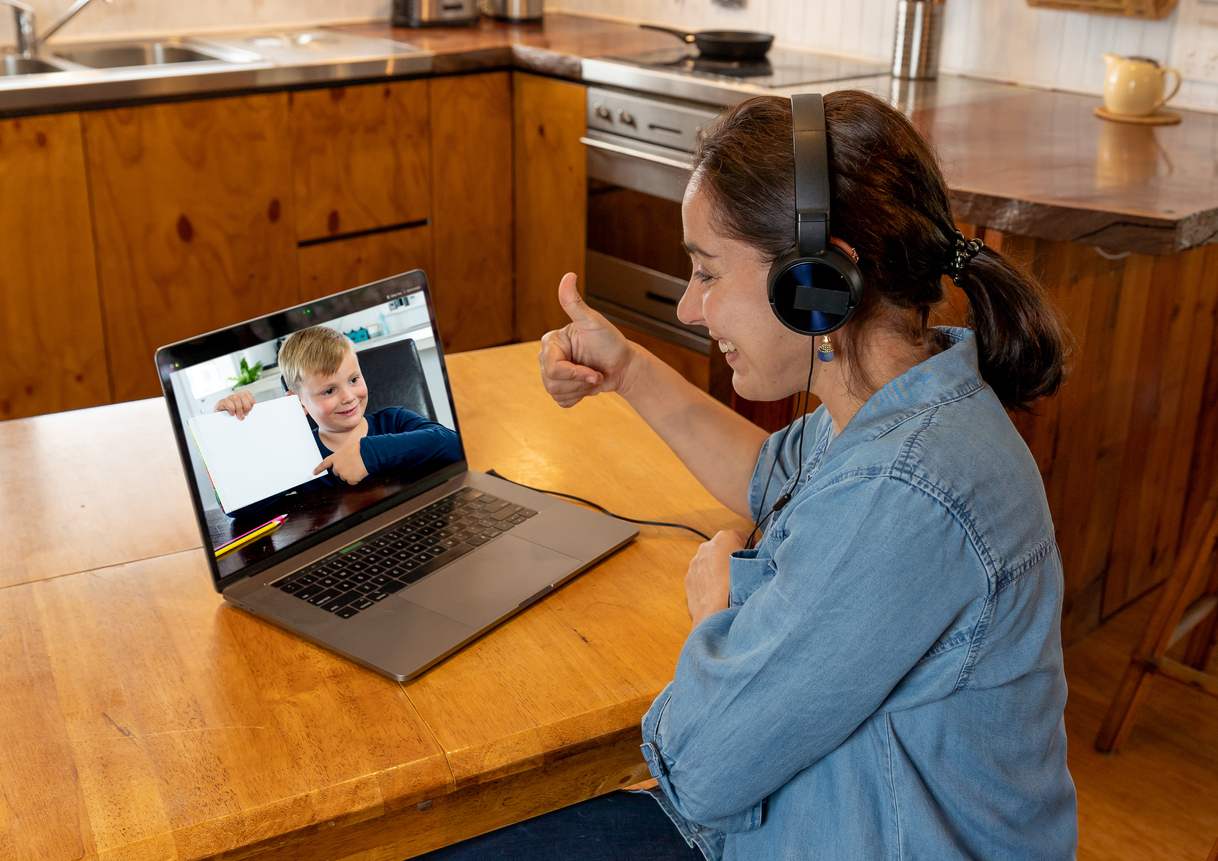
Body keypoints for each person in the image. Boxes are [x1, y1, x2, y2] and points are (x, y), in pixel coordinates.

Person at [419, 90, 1077, 860]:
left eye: (706, 273)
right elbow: (768, 473)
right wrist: (627, 369)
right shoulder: (904, 398)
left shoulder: (903, 492)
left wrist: (713, 607)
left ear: (817, 280)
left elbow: (700, 765)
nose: (691, 308)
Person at [214, 326, 460, 517]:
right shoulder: (299, 455)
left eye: (353, 379)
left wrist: (369, 454)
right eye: (329, 391)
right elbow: (236, 507)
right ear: (298, 403)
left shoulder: (394, 420)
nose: (349, 397)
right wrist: (232, 432)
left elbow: (453, 444)